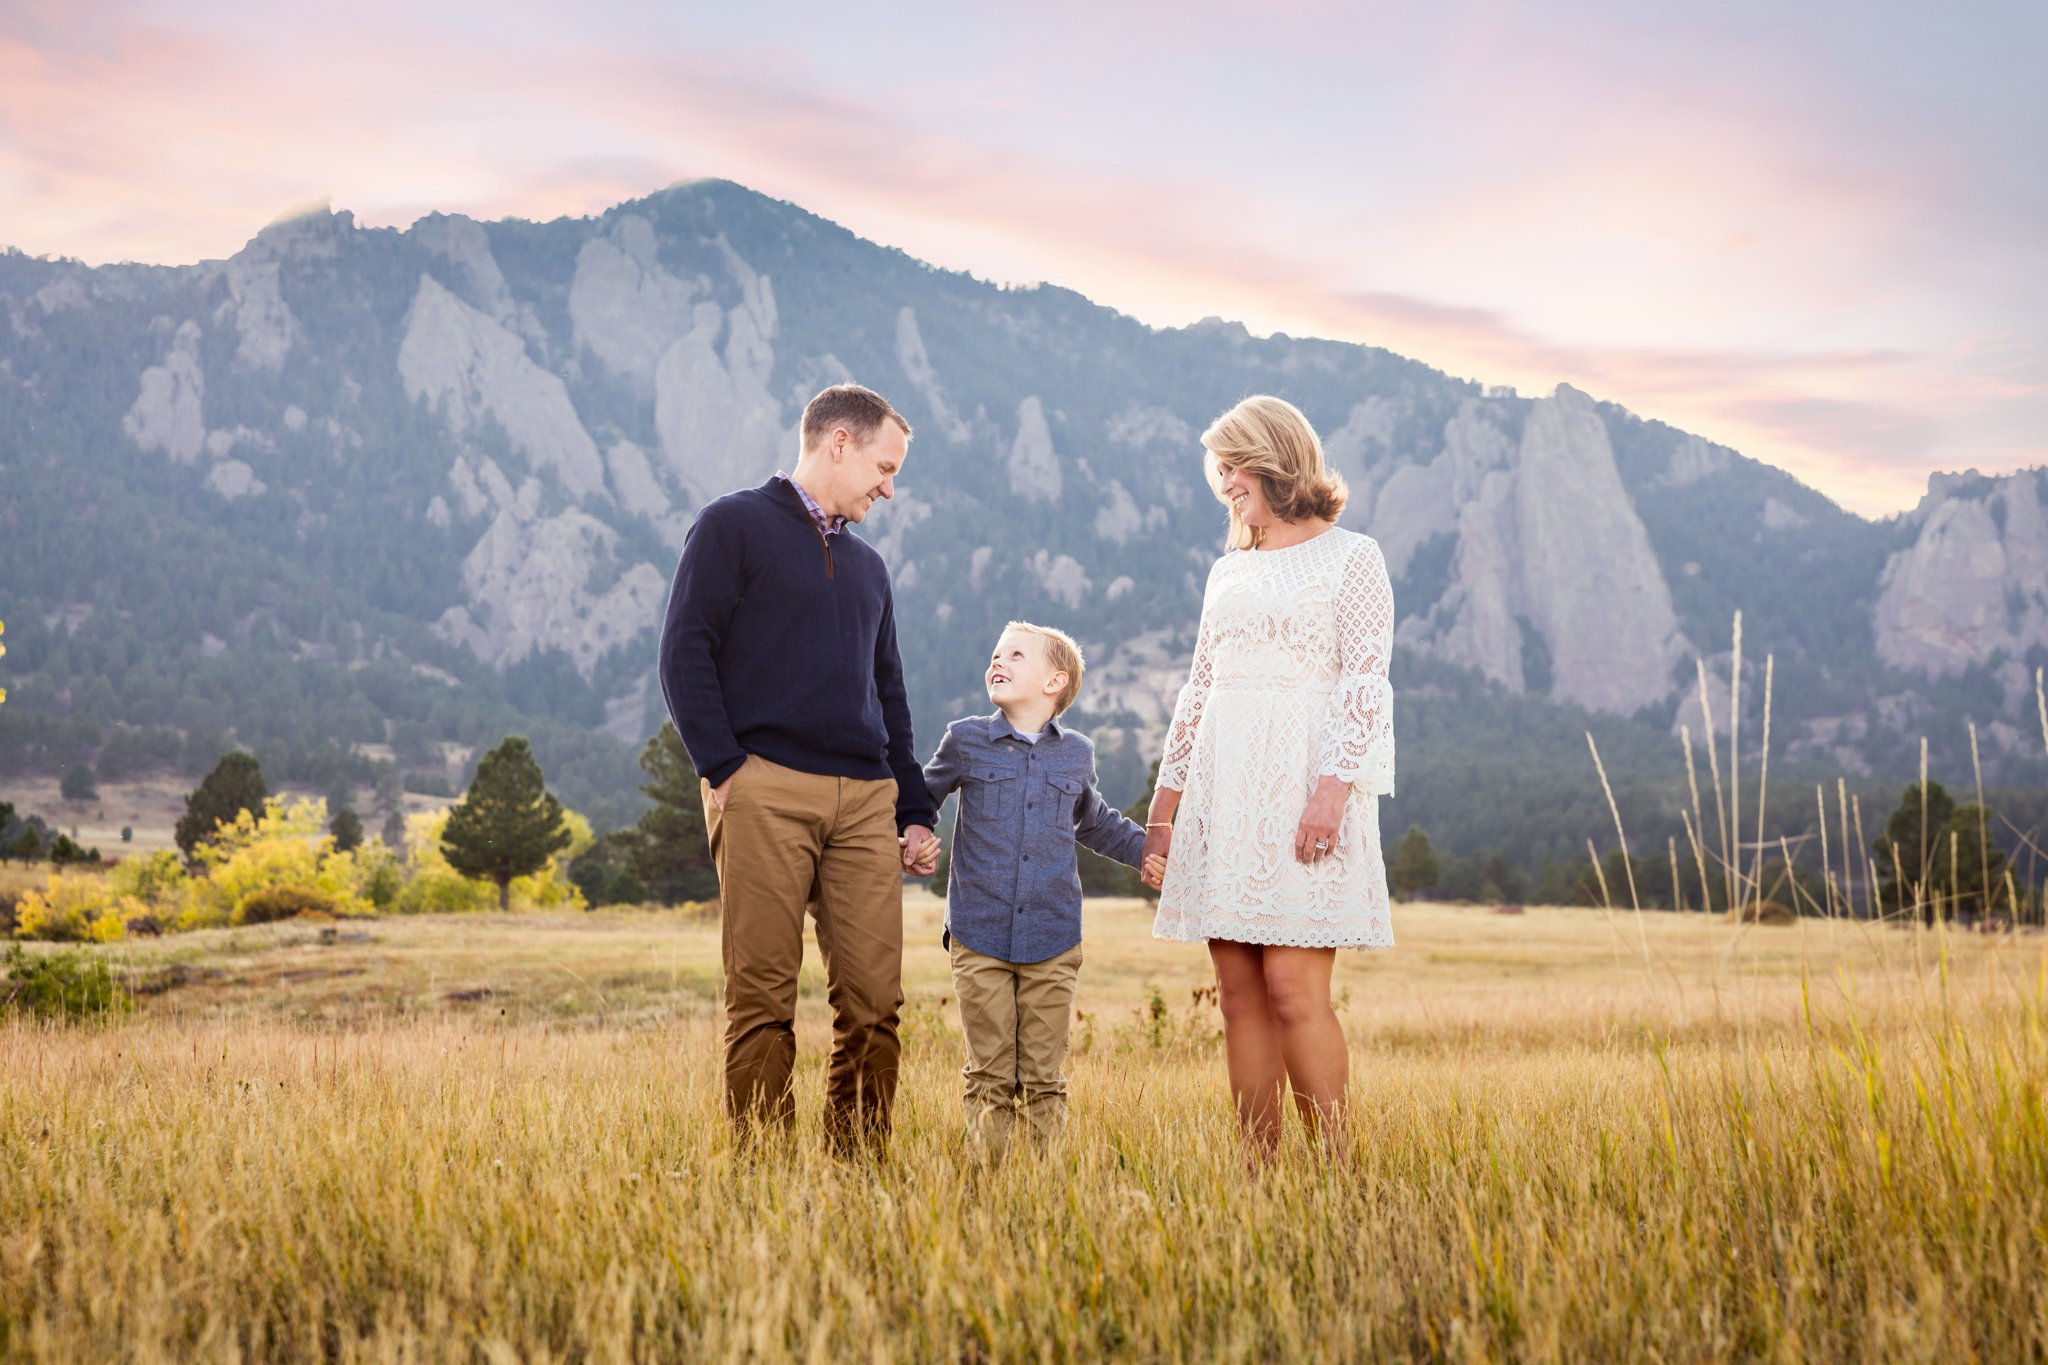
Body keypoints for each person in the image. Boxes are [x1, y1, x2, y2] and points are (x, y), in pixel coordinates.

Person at [658, 383, 938, 1154]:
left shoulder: (871, 568)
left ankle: (857, 1166)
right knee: (763, 1000)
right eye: (884, 466)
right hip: (763, 789)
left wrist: (912, 808)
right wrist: (726, 770)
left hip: (865, 803)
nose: (889, 486)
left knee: (877, 1004)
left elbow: (889, 697)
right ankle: (766, 1173)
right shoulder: (731, 526)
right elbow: (684, 653)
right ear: (837, 442)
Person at [1142, 395, 1396, 1156]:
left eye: (1231, 466)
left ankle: (1336, 1170)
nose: (1222, 483)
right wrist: (1165, 810)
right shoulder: (1228, 571)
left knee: (1292, 989)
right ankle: (1260, 1173)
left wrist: (1331, 792)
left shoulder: (1354, 557)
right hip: (1226, 793)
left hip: (1304, 793)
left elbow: (1364, 682)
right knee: (1237, 997)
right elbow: (1197, 691)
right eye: (1216, 470)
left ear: (1274, 458)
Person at [914, 621, 1150, 1161]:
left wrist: (1149, 854)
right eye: (995, 654)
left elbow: (1097, 823)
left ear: (1054, 682)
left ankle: (1041, 1190)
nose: (997, 662)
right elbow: (921, 797)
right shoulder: (965, 739)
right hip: (979, 935)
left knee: (1044, 1079)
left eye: (1016, 655)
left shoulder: (1077, 754)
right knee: (990, 1075)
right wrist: (916, 832)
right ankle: (988, 1191)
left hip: (1053, 937)